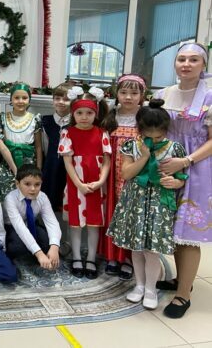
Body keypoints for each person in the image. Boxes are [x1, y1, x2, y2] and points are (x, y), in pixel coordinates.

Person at [107, 99, 187, 310]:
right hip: (135, 201)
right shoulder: (131, 145)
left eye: (158, 137)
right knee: (136, 247)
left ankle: (151, 288)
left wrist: (176, 182)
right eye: (148, 136)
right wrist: (144, 156)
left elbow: (181, 178)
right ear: (139, 130)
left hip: (159, 204)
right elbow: (126, 174)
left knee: (152, 250)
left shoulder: (175, 148)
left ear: (166, 131)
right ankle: (139, 285)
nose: (153, 140)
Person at [154, 42, 212, 319]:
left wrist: (186, 161)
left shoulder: (210, 97)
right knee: (172, 228)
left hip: (197, 168)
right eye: (181, 59)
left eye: (193, 60)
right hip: (166, 165)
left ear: (203, 65)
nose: (186, 64)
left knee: (187, 234)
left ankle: (183, 294)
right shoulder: (163, 94)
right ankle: (181, 279)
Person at [59, 86, 111, 279]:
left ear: (95, 113)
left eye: (89, 113)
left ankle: (90, 258)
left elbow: (106, 161)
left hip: (96, 185)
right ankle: (76, 257)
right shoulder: (67, 133)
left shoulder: (102, 133)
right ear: (73, 113)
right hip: (76, 185)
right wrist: (79, 184)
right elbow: (67, 162)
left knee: (93, 224)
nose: (84, 117)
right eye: (79, 113)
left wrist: (101, 181)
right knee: (75, 224)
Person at [100, 74, 146, 280]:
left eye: (134, 93)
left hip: (135, 174)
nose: (128, 97)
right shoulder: (111, 116)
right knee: (112, 212)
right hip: (111, 174)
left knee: (131, 215)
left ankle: (128, 258)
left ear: (142, 95)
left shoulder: (144, 117)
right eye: (124, 92)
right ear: (116, 93)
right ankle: (112, 256)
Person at [3, 165, 61, 270]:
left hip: (32, 224)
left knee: (48, 242)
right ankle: (21, 256)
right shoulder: (10, 199)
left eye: (37, 184)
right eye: (27, 184)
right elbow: (20, 227)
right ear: (17, 184)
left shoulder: (42, 197)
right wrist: (39, 253)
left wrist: (55, 247)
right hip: (12, 227)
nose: (33, 189)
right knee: (17, 247)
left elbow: (52, 222)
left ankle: (43, 251)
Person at [0, 82, 42, 169]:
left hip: (28, 164)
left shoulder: (35, 120)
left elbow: (38, 147)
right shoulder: (2, 119)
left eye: (24, 98)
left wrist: (39, 168)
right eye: (16, 98)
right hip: (7, 163)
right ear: (11, 99)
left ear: (29, 100)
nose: (20, 101)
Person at [41, 82, 71, 212]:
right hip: (50, 167)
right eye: (57, 98)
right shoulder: (45, 121)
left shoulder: (76, 122)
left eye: (66, 99)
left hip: (69, 168)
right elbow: (44, 147)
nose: (61, 102)